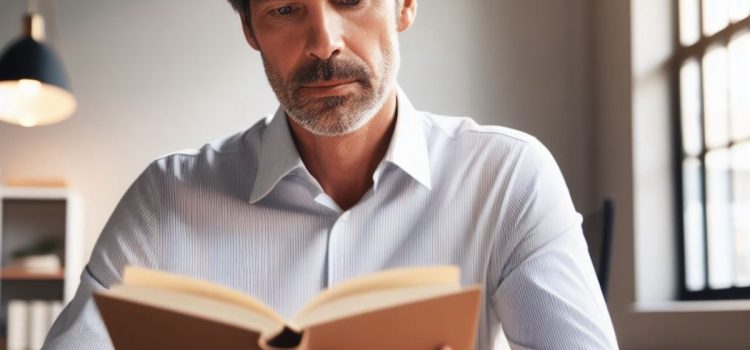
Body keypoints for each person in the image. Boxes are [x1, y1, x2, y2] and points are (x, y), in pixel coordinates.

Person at [43, 0, 618, 349]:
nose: (323, 42)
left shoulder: (508, 178)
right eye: (285, 10)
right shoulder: (165, 200)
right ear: (251, 29)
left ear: (404, 6)